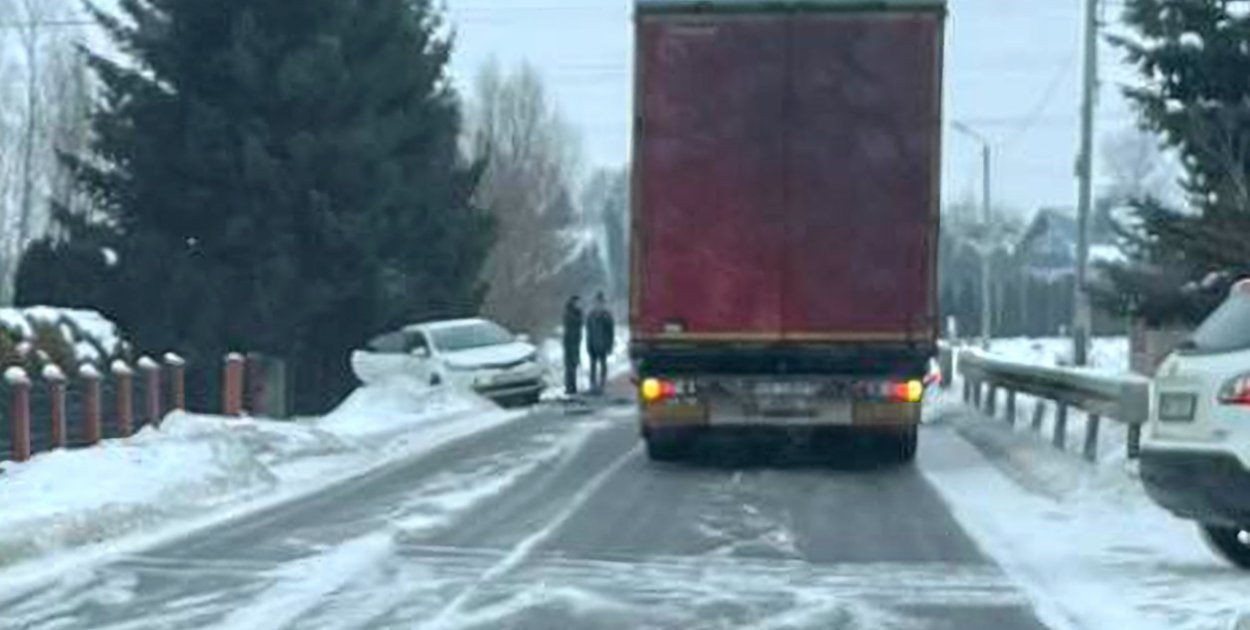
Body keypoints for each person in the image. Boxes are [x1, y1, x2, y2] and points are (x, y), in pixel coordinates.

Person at [586, 292, 616, 394]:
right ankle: (593, 384)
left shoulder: (607, 316)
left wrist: (610, 345)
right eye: (597, 302)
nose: (599, 305)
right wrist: (588, 345)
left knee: (603, 365)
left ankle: (602, 384)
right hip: (593, 344)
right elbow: (588, 332)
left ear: (603, 303)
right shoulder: (591, 316)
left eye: (601, 302)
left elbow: (611, 332)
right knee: (592, 366)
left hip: (603, 345)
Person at [562, 295, 584, 395]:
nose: (579, 305)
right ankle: (570, 387)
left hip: (575, 341)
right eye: (577, 303)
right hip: (570, 342)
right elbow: (571, 327)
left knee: (573, 365)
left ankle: (572, 386)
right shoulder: (570, 314)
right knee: (570, 365)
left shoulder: (577, 313)